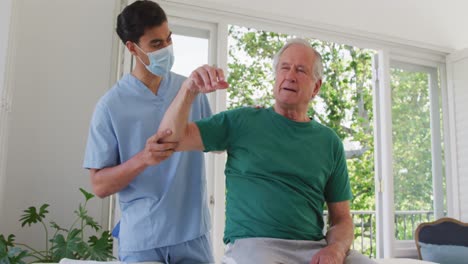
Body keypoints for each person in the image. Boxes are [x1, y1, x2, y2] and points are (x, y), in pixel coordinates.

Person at [157, 38, 376, 264]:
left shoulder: (329, 142)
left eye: (300, 70)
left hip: (312, 248)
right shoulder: (242, 121)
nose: (290, 75)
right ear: (276, 77)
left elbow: (341, 219)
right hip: (254, 246)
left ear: (316, 87)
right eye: (284, 67)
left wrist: (337, 249)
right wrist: (189, 89)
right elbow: (169, 138)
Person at [82, 1, 214, 263]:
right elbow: (99, 185)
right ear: (132, 47)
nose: (166, 49)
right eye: (156, 44)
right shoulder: (111, 106)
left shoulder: (190, 90)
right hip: (143, 241)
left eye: (168, 39)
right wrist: (144, 158)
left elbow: (218, 139)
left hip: (192, 236)